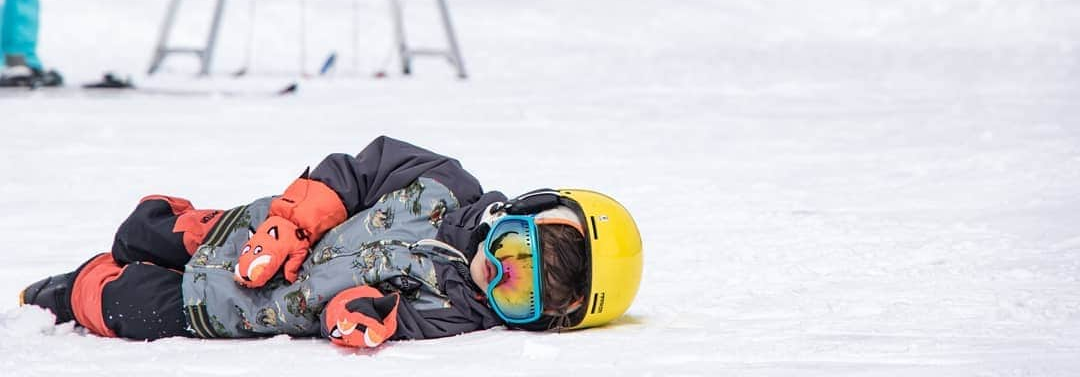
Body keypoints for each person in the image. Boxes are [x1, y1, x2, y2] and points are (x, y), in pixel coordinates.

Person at [19, 136, 643, 347]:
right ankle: (145, 236)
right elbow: (356, 172)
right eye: (513, 252)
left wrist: (359, 316)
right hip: (252, 235)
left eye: (521, 296)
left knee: (120, 304)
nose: (497, 277)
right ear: (523, 209)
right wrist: (292, 222)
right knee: (145, 231)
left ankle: (65, 292)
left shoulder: (458, 316)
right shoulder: (445, 183)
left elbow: (393, 321)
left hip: (238, 310)